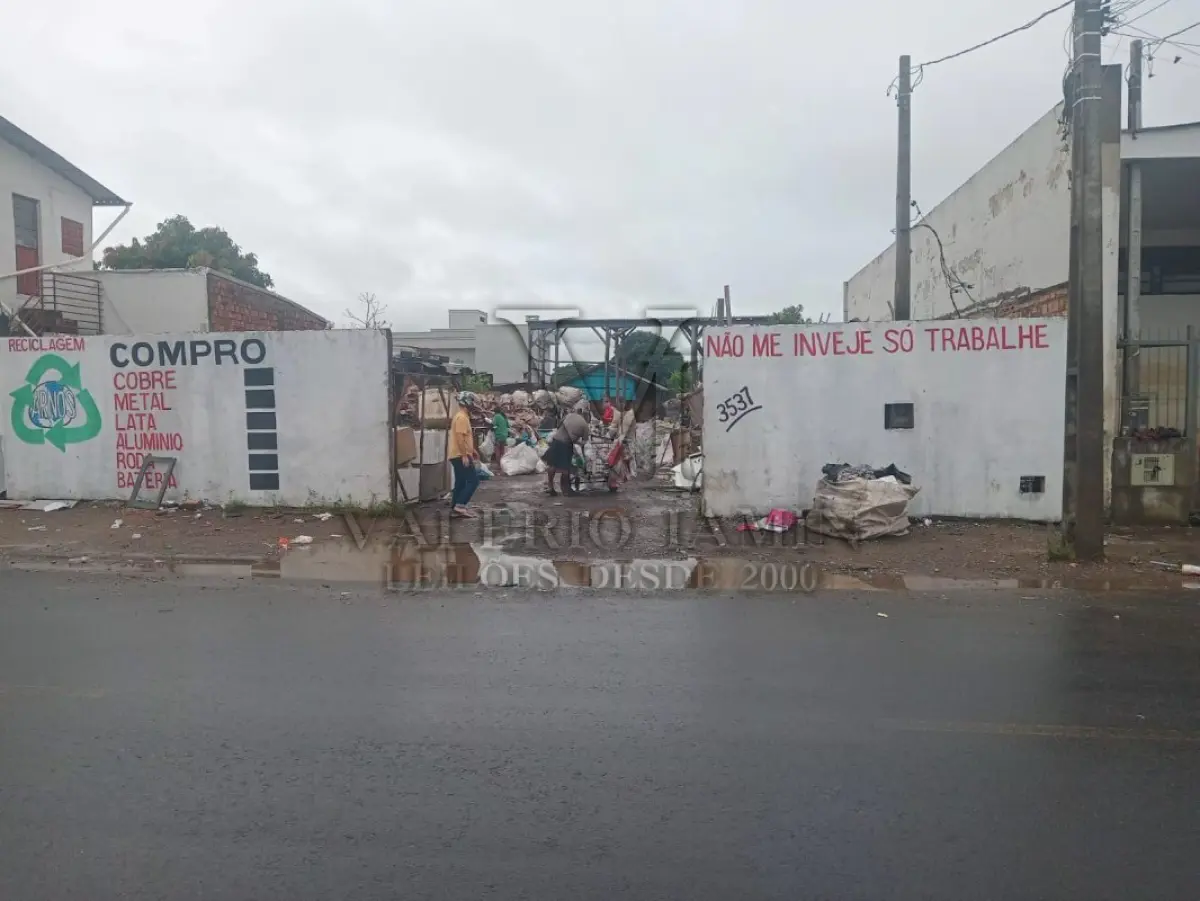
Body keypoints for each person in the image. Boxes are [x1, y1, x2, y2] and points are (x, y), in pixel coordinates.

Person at [448, 392, 481, 518]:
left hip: (456, 454)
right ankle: (460, 505)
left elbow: (464, 438)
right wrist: (464, 455)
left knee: (460, 482)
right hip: (459, 455)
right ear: (468, 403)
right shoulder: (462, 417)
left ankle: (455, 507)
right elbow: (460, 437)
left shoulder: (460, 416)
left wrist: (472, 450)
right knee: (473, 481)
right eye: (473, 402)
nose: (474, 405)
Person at [542, 410, 589, 497]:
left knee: (552, 465)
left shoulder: (569, 416)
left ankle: (550, 486)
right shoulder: (585, 426)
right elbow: (584, 442)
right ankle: (566, 490)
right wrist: (583, 457)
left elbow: (559, 425)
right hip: (565, 444)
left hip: (556, 440)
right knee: (565, 469)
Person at [492, 406, 510, 473]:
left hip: (498, 436)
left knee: (497, 451)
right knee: (502, 451)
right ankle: (503, 464)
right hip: (504, 436)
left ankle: (499, 466)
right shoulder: (504, 417)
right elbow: (508, 426)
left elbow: (493, 425)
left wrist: (493, 427)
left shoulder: (496, 416)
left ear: (495, 412)